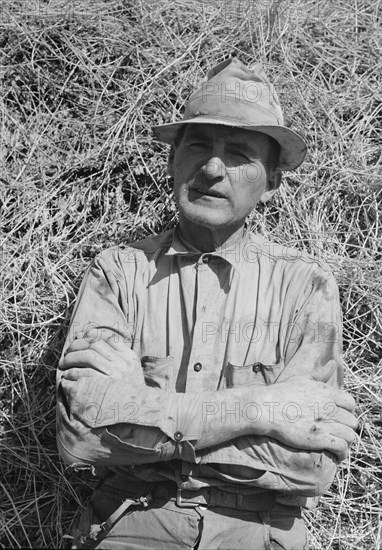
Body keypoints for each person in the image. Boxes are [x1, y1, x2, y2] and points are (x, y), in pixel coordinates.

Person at [57, 57, 357, 550]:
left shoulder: (306, 285)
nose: (213, 169)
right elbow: (82, 437)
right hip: (132, 524)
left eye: (239, 154)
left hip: (260, 533)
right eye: (198, 145)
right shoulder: (117, 272)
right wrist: (261, 410)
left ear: (273, 180)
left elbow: (310, 465)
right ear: (173, 158)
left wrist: (142, 414)